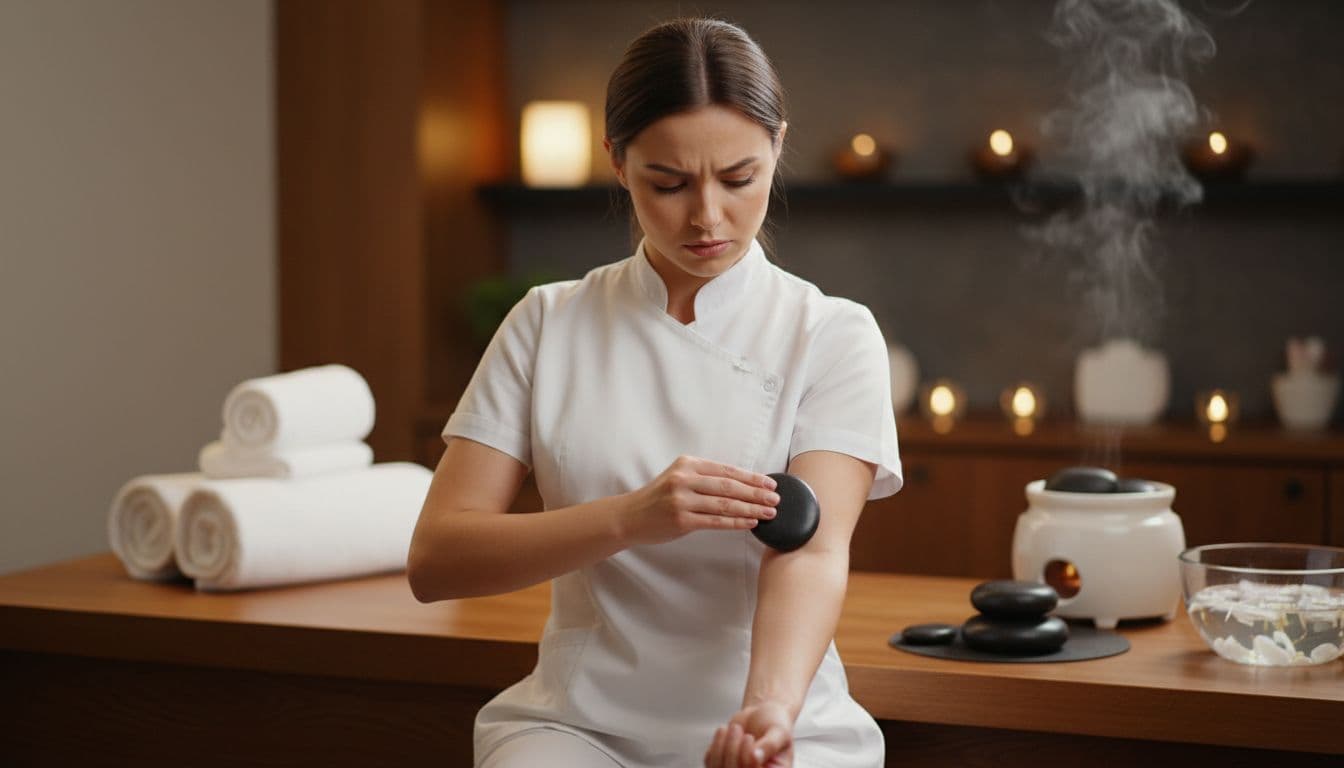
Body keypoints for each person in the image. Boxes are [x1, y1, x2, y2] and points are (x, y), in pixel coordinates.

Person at [408, 17, 901, 768]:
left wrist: (769, 707)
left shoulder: (830, 334)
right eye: (667, 183)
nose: (707, 216)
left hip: (775, 712)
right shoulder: (548, 323)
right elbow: (439, 558)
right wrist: (629, 518)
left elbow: (810, 550)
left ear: (776, 147)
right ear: (617, 162)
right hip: (578, 725)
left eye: (739, 179)